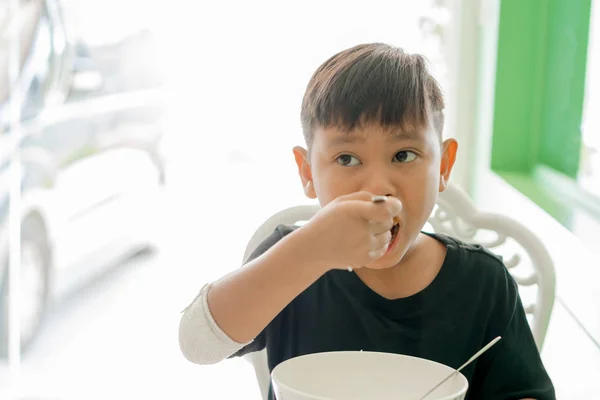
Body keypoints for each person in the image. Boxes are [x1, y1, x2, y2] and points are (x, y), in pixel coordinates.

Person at [178, 43, 555, 400]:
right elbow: (197, 344)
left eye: (404, 155)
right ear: (307, 173)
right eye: (346, 159)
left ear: (443, 166)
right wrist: (308, 252)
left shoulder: (484, 283)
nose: (378, 187)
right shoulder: (291, 258)